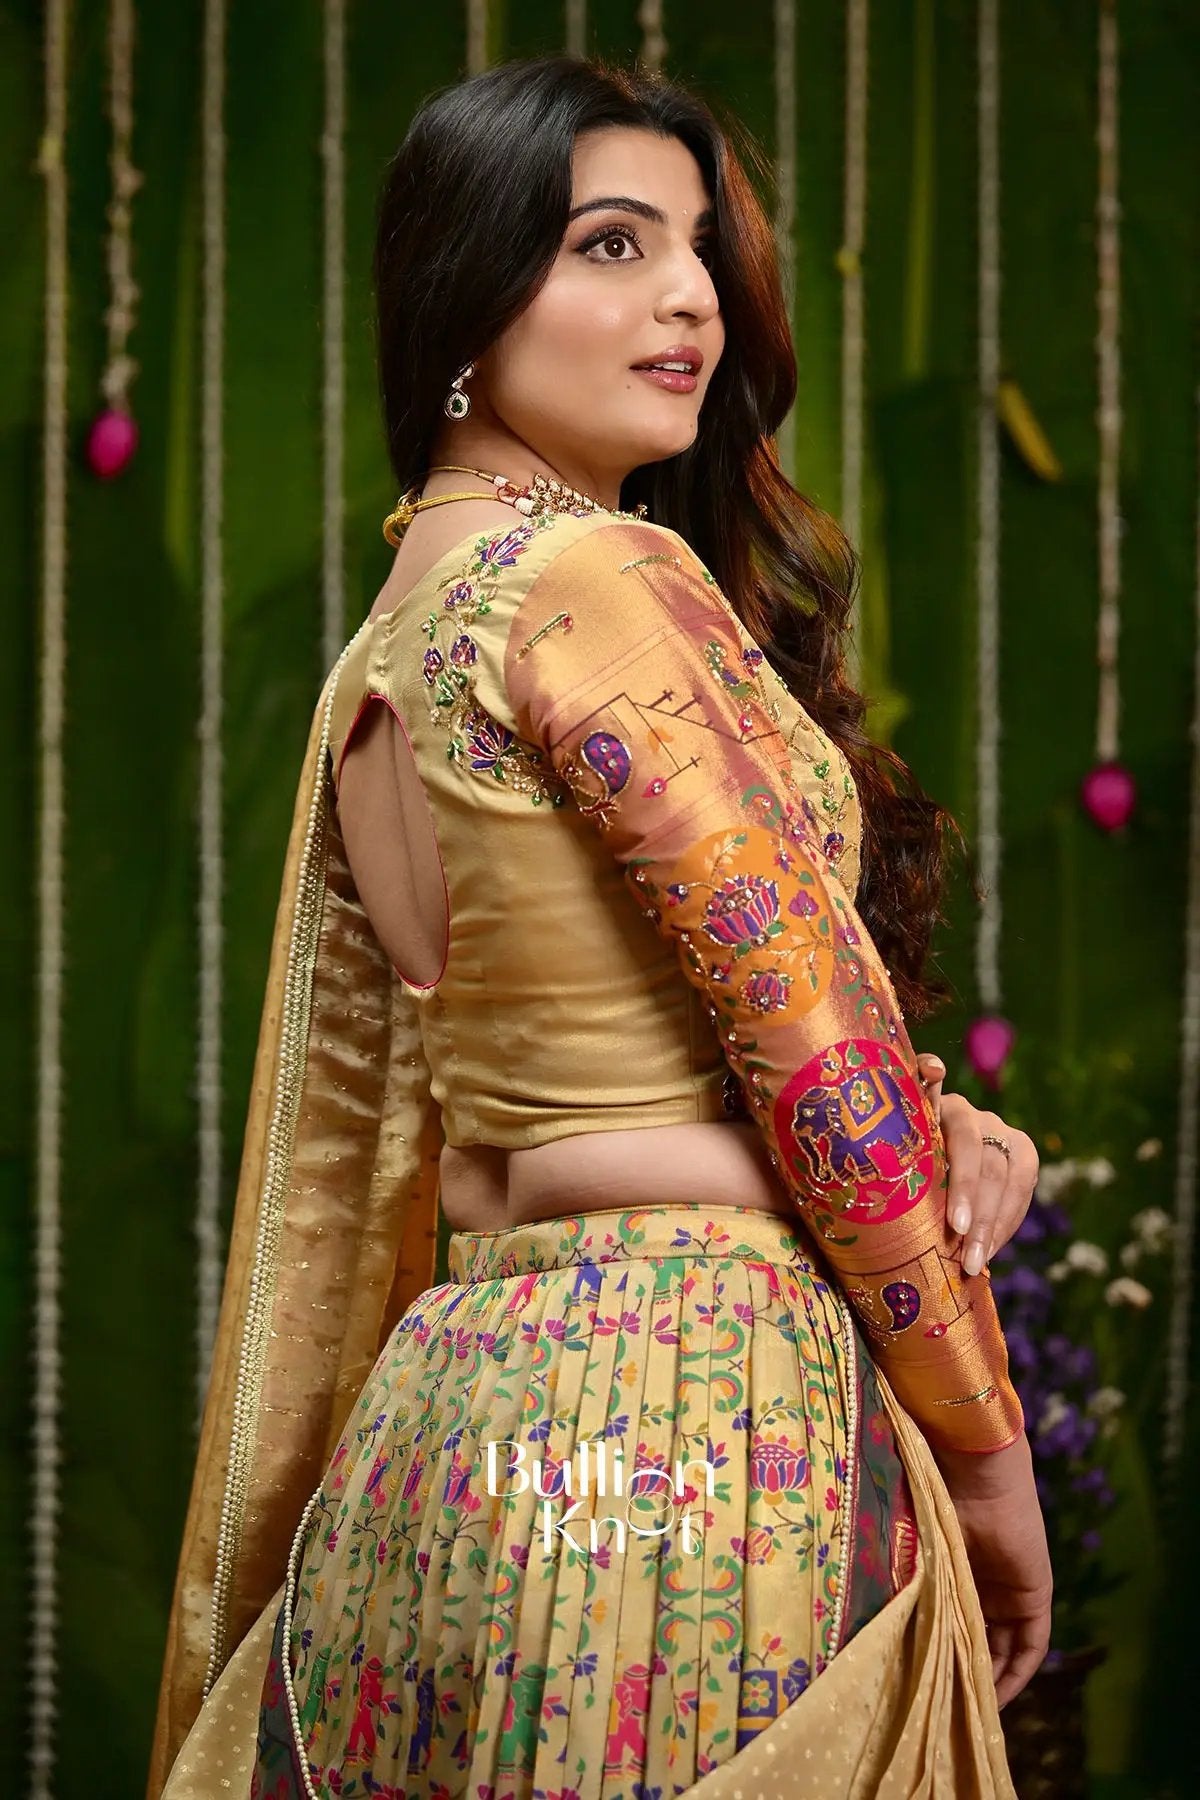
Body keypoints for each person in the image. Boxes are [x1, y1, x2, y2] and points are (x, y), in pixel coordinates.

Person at [147, 52, 1051, 1800]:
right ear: (466, 308)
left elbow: (540, 1083)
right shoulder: (595, 581)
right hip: (687, 1402)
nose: (692, 298)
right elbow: (811, 1048)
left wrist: (924, 1131)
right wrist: (986, 1453)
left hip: (451, 1417)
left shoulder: (387, 646)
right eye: (614, 246)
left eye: (698, 250)